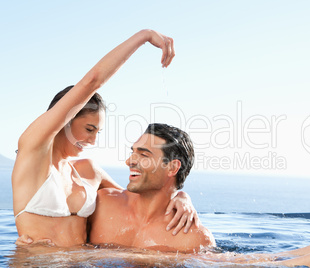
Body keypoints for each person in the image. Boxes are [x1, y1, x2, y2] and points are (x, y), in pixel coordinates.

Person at [87, 123, 310, 267]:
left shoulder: (192, 236)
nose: (129, 161)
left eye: (143, 154)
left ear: (171, 167)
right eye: (131, 152)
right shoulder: (100, 204)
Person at [12, 30, 199, 247]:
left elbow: (139, 199)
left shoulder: (88, 172)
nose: (93, 141)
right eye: (89, 129)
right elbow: (92, 82)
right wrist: (144, 36)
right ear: (67, 119)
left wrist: (181, 197)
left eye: (97, 133)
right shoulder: (31, 153)